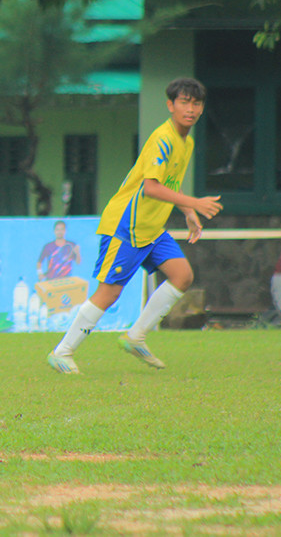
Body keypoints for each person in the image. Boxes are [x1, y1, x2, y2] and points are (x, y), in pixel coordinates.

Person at [46, 77, 223, 374]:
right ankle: (62, 352)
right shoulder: (163, 138)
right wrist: (194, 202)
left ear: (202, 108)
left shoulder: (186, 142)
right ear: (170, 105)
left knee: (182, 276)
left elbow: (169, 183)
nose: (190, 109)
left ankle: (136, 336)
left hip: (151, 228)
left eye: (196, 104)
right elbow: (151, 187)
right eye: (184, 102)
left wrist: (187, 211)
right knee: (109, 293)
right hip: (126, 225)